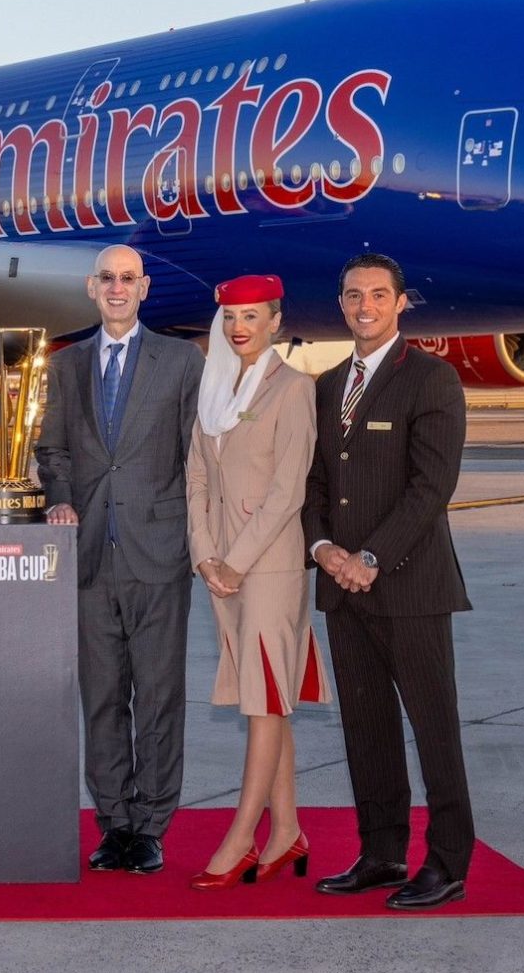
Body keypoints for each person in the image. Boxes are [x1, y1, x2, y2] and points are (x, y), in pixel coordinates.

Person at [302, 251, 476, 912]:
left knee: (435, 730)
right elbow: (314, 484)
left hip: (410, 587)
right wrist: (323, 548)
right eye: (353, 295)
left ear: (401, 302)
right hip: (343, 588)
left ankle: (449, 860)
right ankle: (380, 851)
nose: (364, 306)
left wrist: (370, 558)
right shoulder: (324, 386)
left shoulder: (431, 379)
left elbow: (431, 488)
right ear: (341, 303)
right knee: (366, 728)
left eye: (378, 294)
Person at [36, 244, 200, 874]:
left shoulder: (182, 361)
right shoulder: (66, 365)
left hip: (158, 553)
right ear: (90, 287)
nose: (117, 287)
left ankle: (152, 824)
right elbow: (53, 452)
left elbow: (196, 457)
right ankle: (113, 822)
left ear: (145, 288)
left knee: (158, 695)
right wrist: (59, 500)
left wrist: (196, 537)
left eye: (128, 278)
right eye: (107, 278)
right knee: (102, 697)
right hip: (88, 557)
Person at [183, 274, 329, 890]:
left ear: (275, 321)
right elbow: (194, 475)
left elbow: (288, 490)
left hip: (265, 566)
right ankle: (289, 831)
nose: (240, 326)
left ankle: (243, 836)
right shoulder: (214, 386)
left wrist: (235, 561)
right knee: (267, 703)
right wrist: (204, 554)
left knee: (265, 701)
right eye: (231, 316)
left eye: (252, 316)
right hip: (220, 569)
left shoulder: (294, 389)